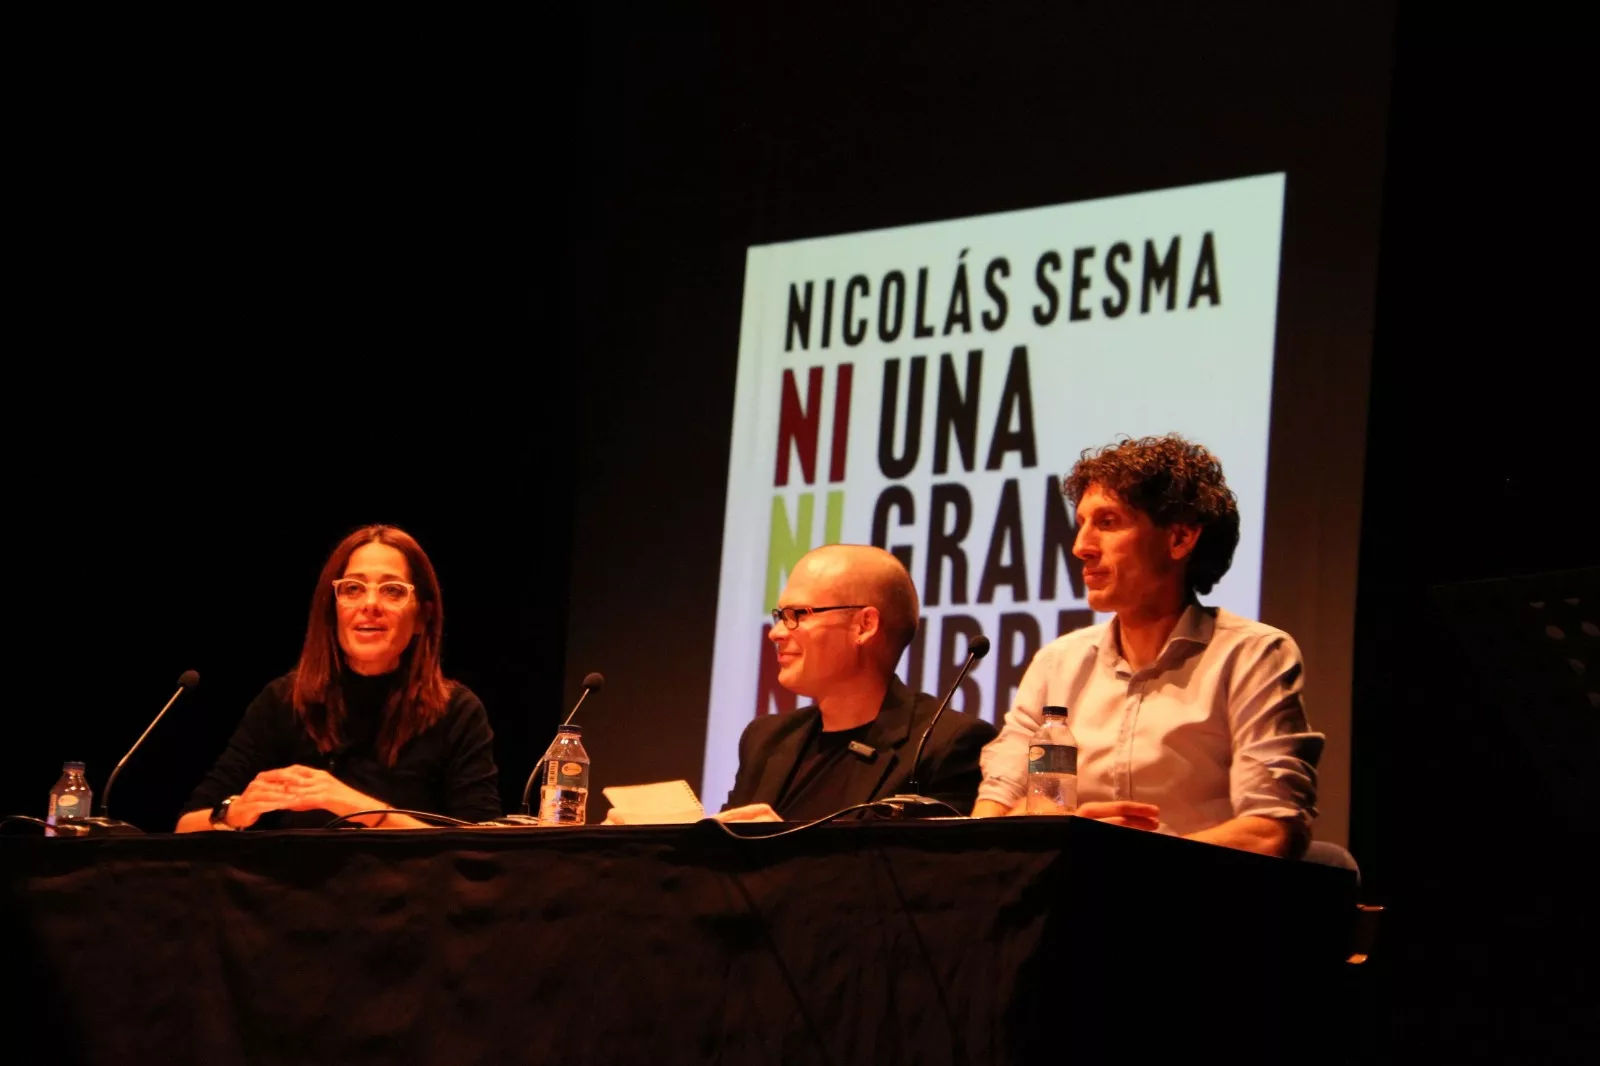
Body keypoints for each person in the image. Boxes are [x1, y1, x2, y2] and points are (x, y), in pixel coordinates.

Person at [971, 435, 1324, 858]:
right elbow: (987, 820)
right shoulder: (1057, 664)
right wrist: (1068, 826)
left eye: (1107, 522)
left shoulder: (1252, 655)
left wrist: (1126, 863)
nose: (1081, 547)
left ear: (1180, 539)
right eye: (1081, 523)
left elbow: (1272, 833)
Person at [176, 525, 501, 831]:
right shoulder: (285, 700)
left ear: (422, 617)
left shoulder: (457, 712)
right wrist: (234, 813)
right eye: (353, 589)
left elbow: (482, 848)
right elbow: (186, 827)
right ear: (333, 610)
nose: (370, 604)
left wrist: (348, 803)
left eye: (391, 590)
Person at [720, 544, 997, 822]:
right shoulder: (764, 739)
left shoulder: (945, 747)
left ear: (864, 626)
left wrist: (778, 848)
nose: (776, 633)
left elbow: (916, 865)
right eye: (780, 616)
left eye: (798, 615)